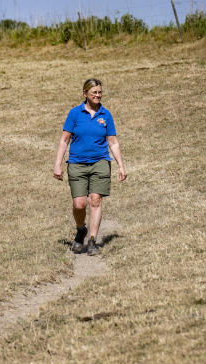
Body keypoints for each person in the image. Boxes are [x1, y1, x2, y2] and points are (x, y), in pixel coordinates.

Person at [53, 78, 127, 255]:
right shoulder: (75, 114)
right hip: (77, 163)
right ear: (85, 94)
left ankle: (92, 240)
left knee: (95, 200)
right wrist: (57, 165)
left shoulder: (106, 114)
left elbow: (113, 142)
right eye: (94, 92)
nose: (98, 95)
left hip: (100, 162)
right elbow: (64, 140)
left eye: (100, 92)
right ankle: (81, 230)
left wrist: (121, 166)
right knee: (79, 204)